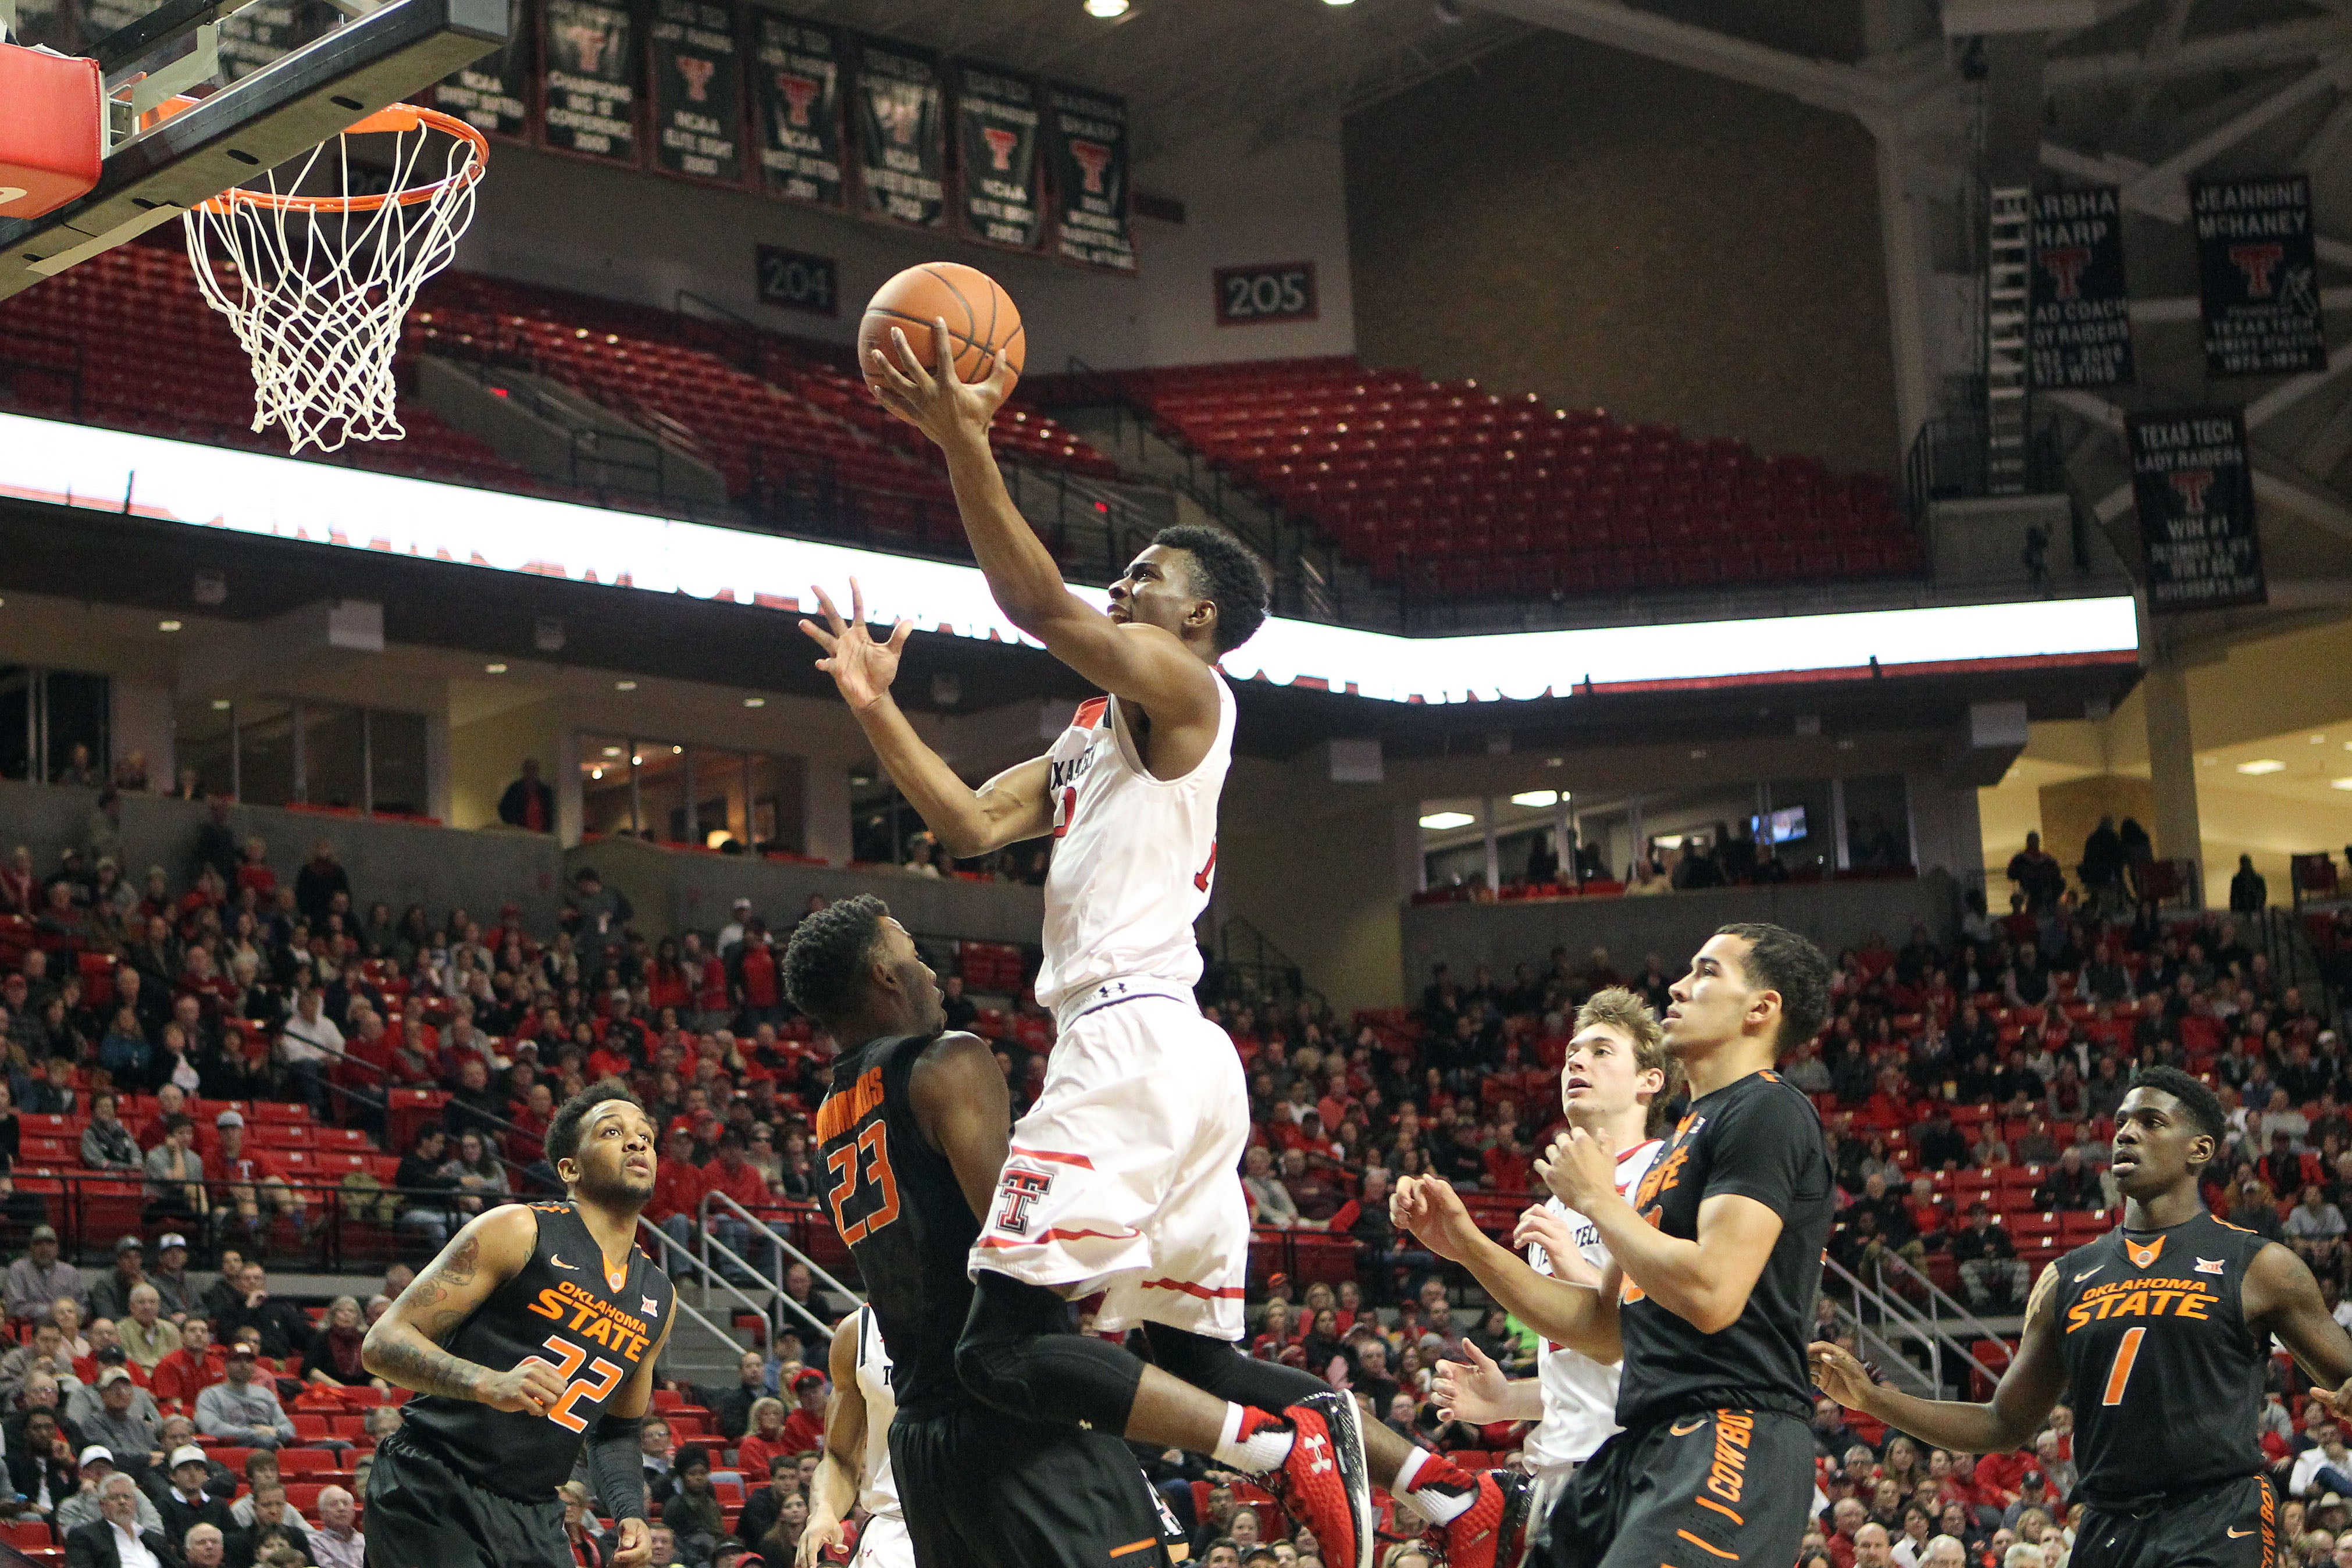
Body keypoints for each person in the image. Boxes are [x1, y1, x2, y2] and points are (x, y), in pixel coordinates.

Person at [825, 334, 1416, 1566]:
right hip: (1168, 1050)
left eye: (1145, 574)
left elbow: (1037, 605)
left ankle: (1277, 1448)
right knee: (1188, 1353)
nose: (1121, 587)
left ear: (1197, 617)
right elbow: (968, 822)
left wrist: (962, 439)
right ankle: (1430, 1484)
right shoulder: (1102, 729)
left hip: (1133, 1039)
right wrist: (879, 710)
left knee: (1000, 1346)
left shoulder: (1193, 694)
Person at [780, 896, 1377, 1568]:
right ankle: (1279, 1446)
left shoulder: (831, 1112)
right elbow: (1021, 1246)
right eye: (915, 957)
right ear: (886, 977)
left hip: (922, 1446)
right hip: (1015, 1419)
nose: (931, 972)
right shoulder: (949, 1062)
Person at [1398, 922, 1836, 1568]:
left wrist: (1599, 1201)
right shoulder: (1690, 1135)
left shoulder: (1767, 1109)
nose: (1679, 987)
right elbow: (1605, 1330)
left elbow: (1713, 1293)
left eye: (1707, 971)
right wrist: (1466, 1244)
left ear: (1761, 1008)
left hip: (1733, 1425)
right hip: (1643, 1440)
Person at [1812, 1067, 2352, 1568]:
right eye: (2120, 1122)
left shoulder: (2260, 1266)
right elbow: (2004, 1423)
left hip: (2217, 1516)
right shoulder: (2067, 1277)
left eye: (2150, 1122)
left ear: (2200, 1149)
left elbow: (2344, 1375)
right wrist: (1874, 1400)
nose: (2126, 1133)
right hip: (2106, 1524)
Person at [358, 1084, 678, 1568]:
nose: (637, 1144)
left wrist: (629, 1511)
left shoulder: (658, 1296)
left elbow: (616, 1430)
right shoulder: (518, 1229)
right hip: (435, 1485)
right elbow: (383, 1342)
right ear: (569, 1168)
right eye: (613, 1132)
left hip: (535, 1511)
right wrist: (488, 1383)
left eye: (646, 1137)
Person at [1410, 989, 1674, 1546]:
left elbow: (1658, 1331)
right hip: (1559, 1465)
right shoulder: (1555, 1203)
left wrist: (1574, 1264)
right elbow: (1589, 1365)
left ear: (1649, 1080)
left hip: (1641, 1462)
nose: (1576, 1062)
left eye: (1602, 1051)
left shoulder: (1667, 1170)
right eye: (1572, 1053)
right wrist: (1510, 1400)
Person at [800, 1305, 908, 1568]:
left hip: (984, 1527)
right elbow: (839, 1457)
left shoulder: (1002, 1315)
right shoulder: (859, 1330)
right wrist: (825, 1509)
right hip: (894, 1530)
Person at [62, 1470, 172, 1568]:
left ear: (135, 1503)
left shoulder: (153, 1538)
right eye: (114, 1498)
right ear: (102, 1505)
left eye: (127, 1497)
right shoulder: (85, 1537)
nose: (122, 1502)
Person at [194, 1345, 294, 1449]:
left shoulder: (266, 1394)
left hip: (268, 1448)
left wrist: (276, 1431)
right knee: (265, 1440)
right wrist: (255, 1433)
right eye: (237, 1361)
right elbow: (212, 1428)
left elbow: (288, 1427)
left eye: (249, 1361)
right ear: (226, 1365)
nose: (244, 1365)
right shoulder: (210, 1395)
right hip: (233, 1449)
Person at [6, 1224, 81, 1323]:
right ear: (30, 1248)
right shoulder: (18, 1270)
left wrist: (66, 1313)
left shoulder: (70, 1273)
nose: (44, 1249)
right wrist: (52, 1311)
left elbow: (83, 1307)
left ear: (57, 1248)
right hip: (31, 1329)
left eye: (50, 1244)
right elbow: (14, 1308)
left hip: (66, 1329)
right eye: (38, 1244)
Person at [309, 1485, 363, 1568]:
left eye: (345, 1503)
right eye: (334, 1504)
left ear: (353, 1511)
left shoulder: (365, 1541)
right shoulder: (315, 1542)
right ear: (322, 1514)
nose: (341, 1508)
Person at [499, 761, 556, 833]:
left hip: (541, 833)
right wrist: (513, 823)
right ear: (524, 771)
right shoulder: (515, 789)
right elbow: (503, 808)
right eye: (529, 769)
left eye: (534, 769)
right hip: (520, 832)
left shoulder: (545, 791)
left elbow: (549, 813)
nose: (532, 772)